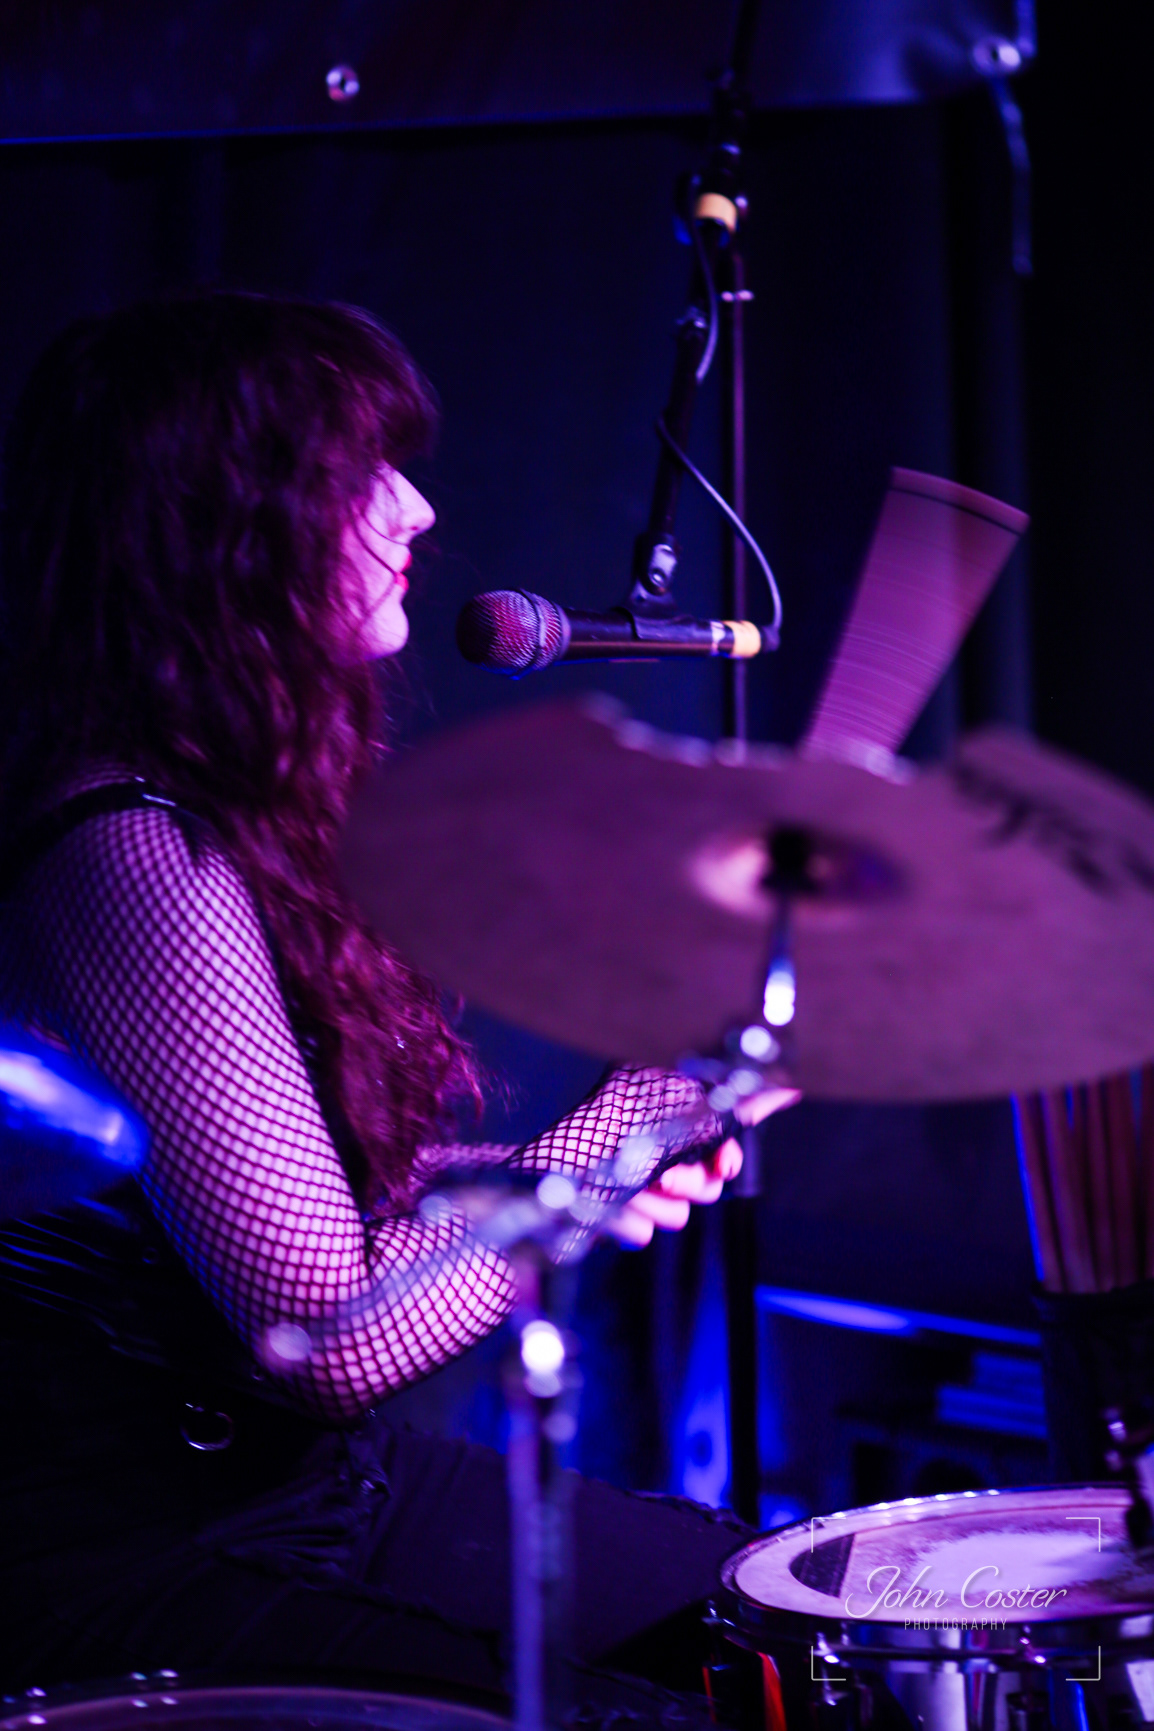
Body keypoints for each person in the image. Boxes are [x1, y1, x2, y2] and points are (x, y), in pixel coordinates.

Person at [0, 293, 795, 1714]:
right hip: (132, 1546)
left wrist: (519, 1180)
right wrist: (619, 1131)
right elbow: (334, 1337)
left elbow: (227, 1208)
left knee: (782, 1619)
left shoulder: (214, 803)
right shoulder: (126, 847)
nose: (418, 508)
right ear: (222, 519)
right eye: (363, 470)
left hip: (304, 1485)